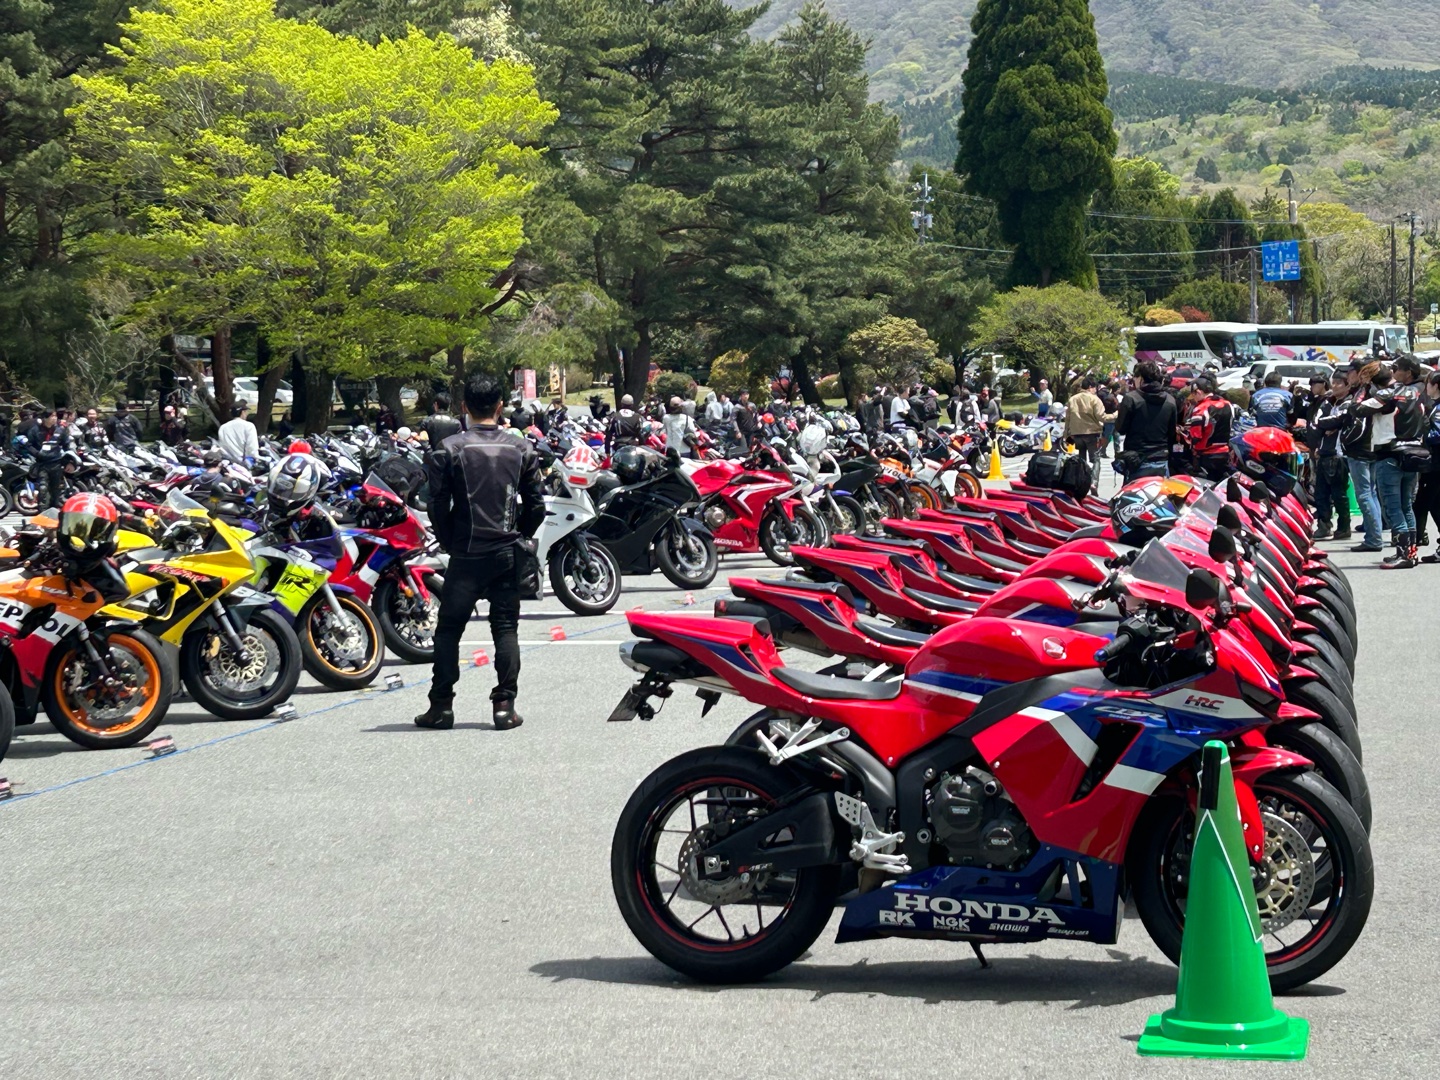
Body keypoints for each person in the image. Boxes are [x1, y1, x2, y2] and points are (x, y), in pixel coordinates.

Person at [419, 375, 545, 731]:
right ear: (500, 406)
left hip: (467, 553)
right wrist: (521, 535)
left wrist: (449, 540)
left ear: (464, 407)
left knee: (448, 630)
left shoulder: (449, 449)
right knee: (505, 629)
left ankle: (441, 706)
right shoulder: (521, 448)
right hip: (506, 551)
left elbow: (437, 505)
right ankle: (504, 706)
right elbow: (536, 505)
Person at [1364, 361, 1425, 568]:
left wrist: (1365, 390)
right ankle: (1410, 553)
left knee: (1393, 507)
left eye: (1397, 369)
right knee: (1406, 505)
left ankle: (1403, 554)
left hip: (1389, 454)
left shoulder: (1387, 394)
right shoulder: (1417, 393)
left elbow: (1356, 410)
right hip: (1413, 454)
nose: (1395, 372)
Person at [1306, 373, 1352, 541]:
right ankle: (1324, 526)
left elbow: (1340, 420)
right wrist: (1326, 426)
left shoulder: (1349, 403)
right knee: (1320, 494)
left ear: (1347, 386)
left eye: (1339, 383)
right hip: (1323, 452)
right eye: (1334, 382)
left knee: (1339, 494)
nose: (1335, 386)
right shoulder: (1327, 403)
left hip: (1338, 454)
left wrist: (1332, 424)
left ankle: (1344, 527)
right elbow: (1315, 422)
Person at [1114, 361, 1177, 479]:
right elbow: (1172, 432)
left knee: (1134, 490)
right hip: (1161, 457)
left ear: (1141, 378)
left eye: (1135, 377)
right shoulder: (1170, 400)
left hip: (1136, 458)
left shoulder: (1131, 398)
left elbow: (1121, 428)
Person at [1183, 375, 1239, 480]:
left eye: (1194, 395)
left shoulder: (1200, 409)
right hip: (1225, 453)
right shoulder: (1228, 404)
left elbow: (1195, 437)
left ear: (1198, 392)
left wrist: (1184, 434)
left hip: (1206, 456)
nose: (1193, 398)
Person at [1064, 377, 1109, 488]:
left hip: (1076, 434)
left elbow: (1067, 418)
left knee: (1081, 459)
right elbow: (1101, 417)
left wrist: (1066, 434)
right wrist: (1116, 415)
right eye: (1095, 388)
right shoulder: (1094, 399)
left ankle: (1081, 483)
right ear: (1090, 387)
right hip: (1092, 433)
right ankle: (1093, 482)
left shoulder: (1072, 399)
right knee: (1096, 459)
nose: (1095, 391)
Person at [1415, 371, 1440, 562]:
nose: (1426, 388)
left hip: (1436, 464)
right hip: (1433, 464)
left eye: (1428, 384)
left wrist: (1420, 437)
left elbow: (1437, 434)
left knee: (1429, 502)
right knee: (1431, 503)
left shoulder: (1438, 409)